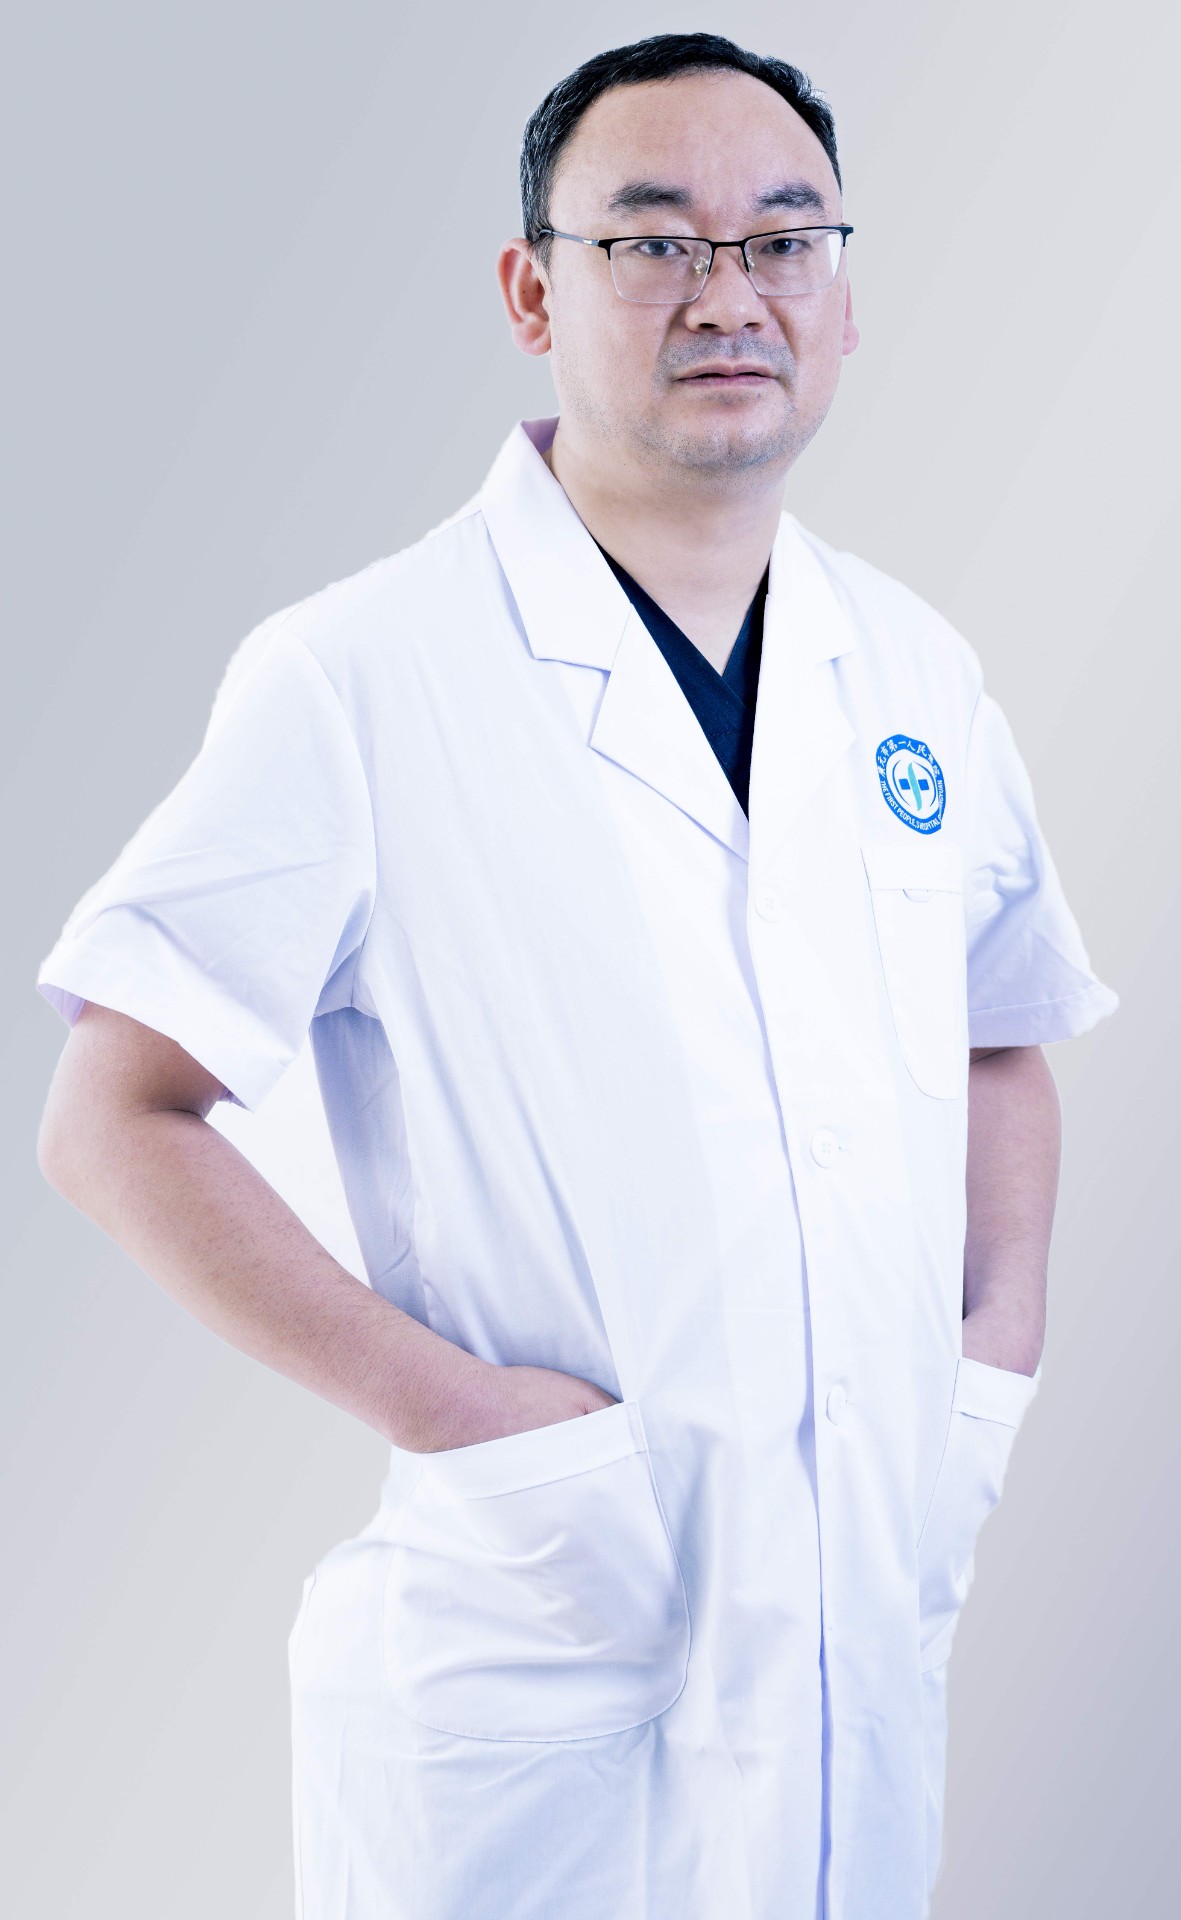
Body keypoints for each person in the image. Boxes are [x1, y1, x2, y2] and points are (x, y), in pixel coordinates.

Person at [34, 31, 1119, 1920]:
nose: (728, 293)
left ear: (843, 298)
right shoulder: (359, 672)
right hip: (539, 1638)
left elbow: (1002, 1031)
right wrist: (460, 1417)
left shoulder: (912, 670)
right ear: (533, 291)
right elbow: (113, 1117)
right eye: (652, 240)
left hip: (858, 1617)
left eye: (782, 239)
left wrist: (989, 1357)